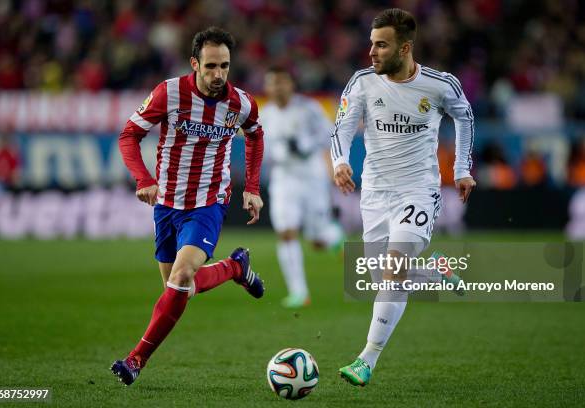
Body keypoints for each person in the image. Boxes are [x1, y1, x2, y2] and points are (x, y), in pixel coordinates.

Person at [111, 27, 265, 386]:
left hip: (208, 203)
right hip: (166, 204)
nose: (218, 75)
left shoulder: (241, 103)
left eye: (224, 66)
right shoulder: (170, 93)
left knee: (181, 279)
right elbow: (129, 134)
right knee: (180, 288)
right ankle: (234, 267)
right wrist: (143, 178)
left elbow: (256, 136)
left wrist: (252, 187)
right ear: (194, 63)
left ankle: (135, 360)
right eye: (210, 66)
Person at [332, 9, 476, 386]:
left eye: (381, 45)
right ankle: (435, 273)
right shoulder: (362, 83)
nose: (372, 52)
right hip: (375, 192)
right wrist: (340, 163)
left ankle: (367, 359)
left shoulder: (440, 85)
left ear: (405, 47)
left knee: (393, 269)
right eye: (371, 44)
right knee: (383, 276)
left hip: (419, 190)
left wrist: (461, 168)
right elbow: (342, 127)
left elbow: (465, 117)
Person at [260, 66, 344, 308]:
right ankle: (299, 293)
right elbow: (261, 147)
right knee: (286, 232)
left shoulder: (309, 109)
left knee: (316, 238)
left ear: (291, 85)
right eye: (272, 83)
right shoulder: (265, 114)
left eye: (281, 82)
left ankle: (333, 235)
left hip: (312, 179)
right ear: (267, 87)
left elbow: (331, 133)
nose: (276, 88)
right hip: (283, 180)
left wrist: (307, 146)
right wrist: (276, 153)